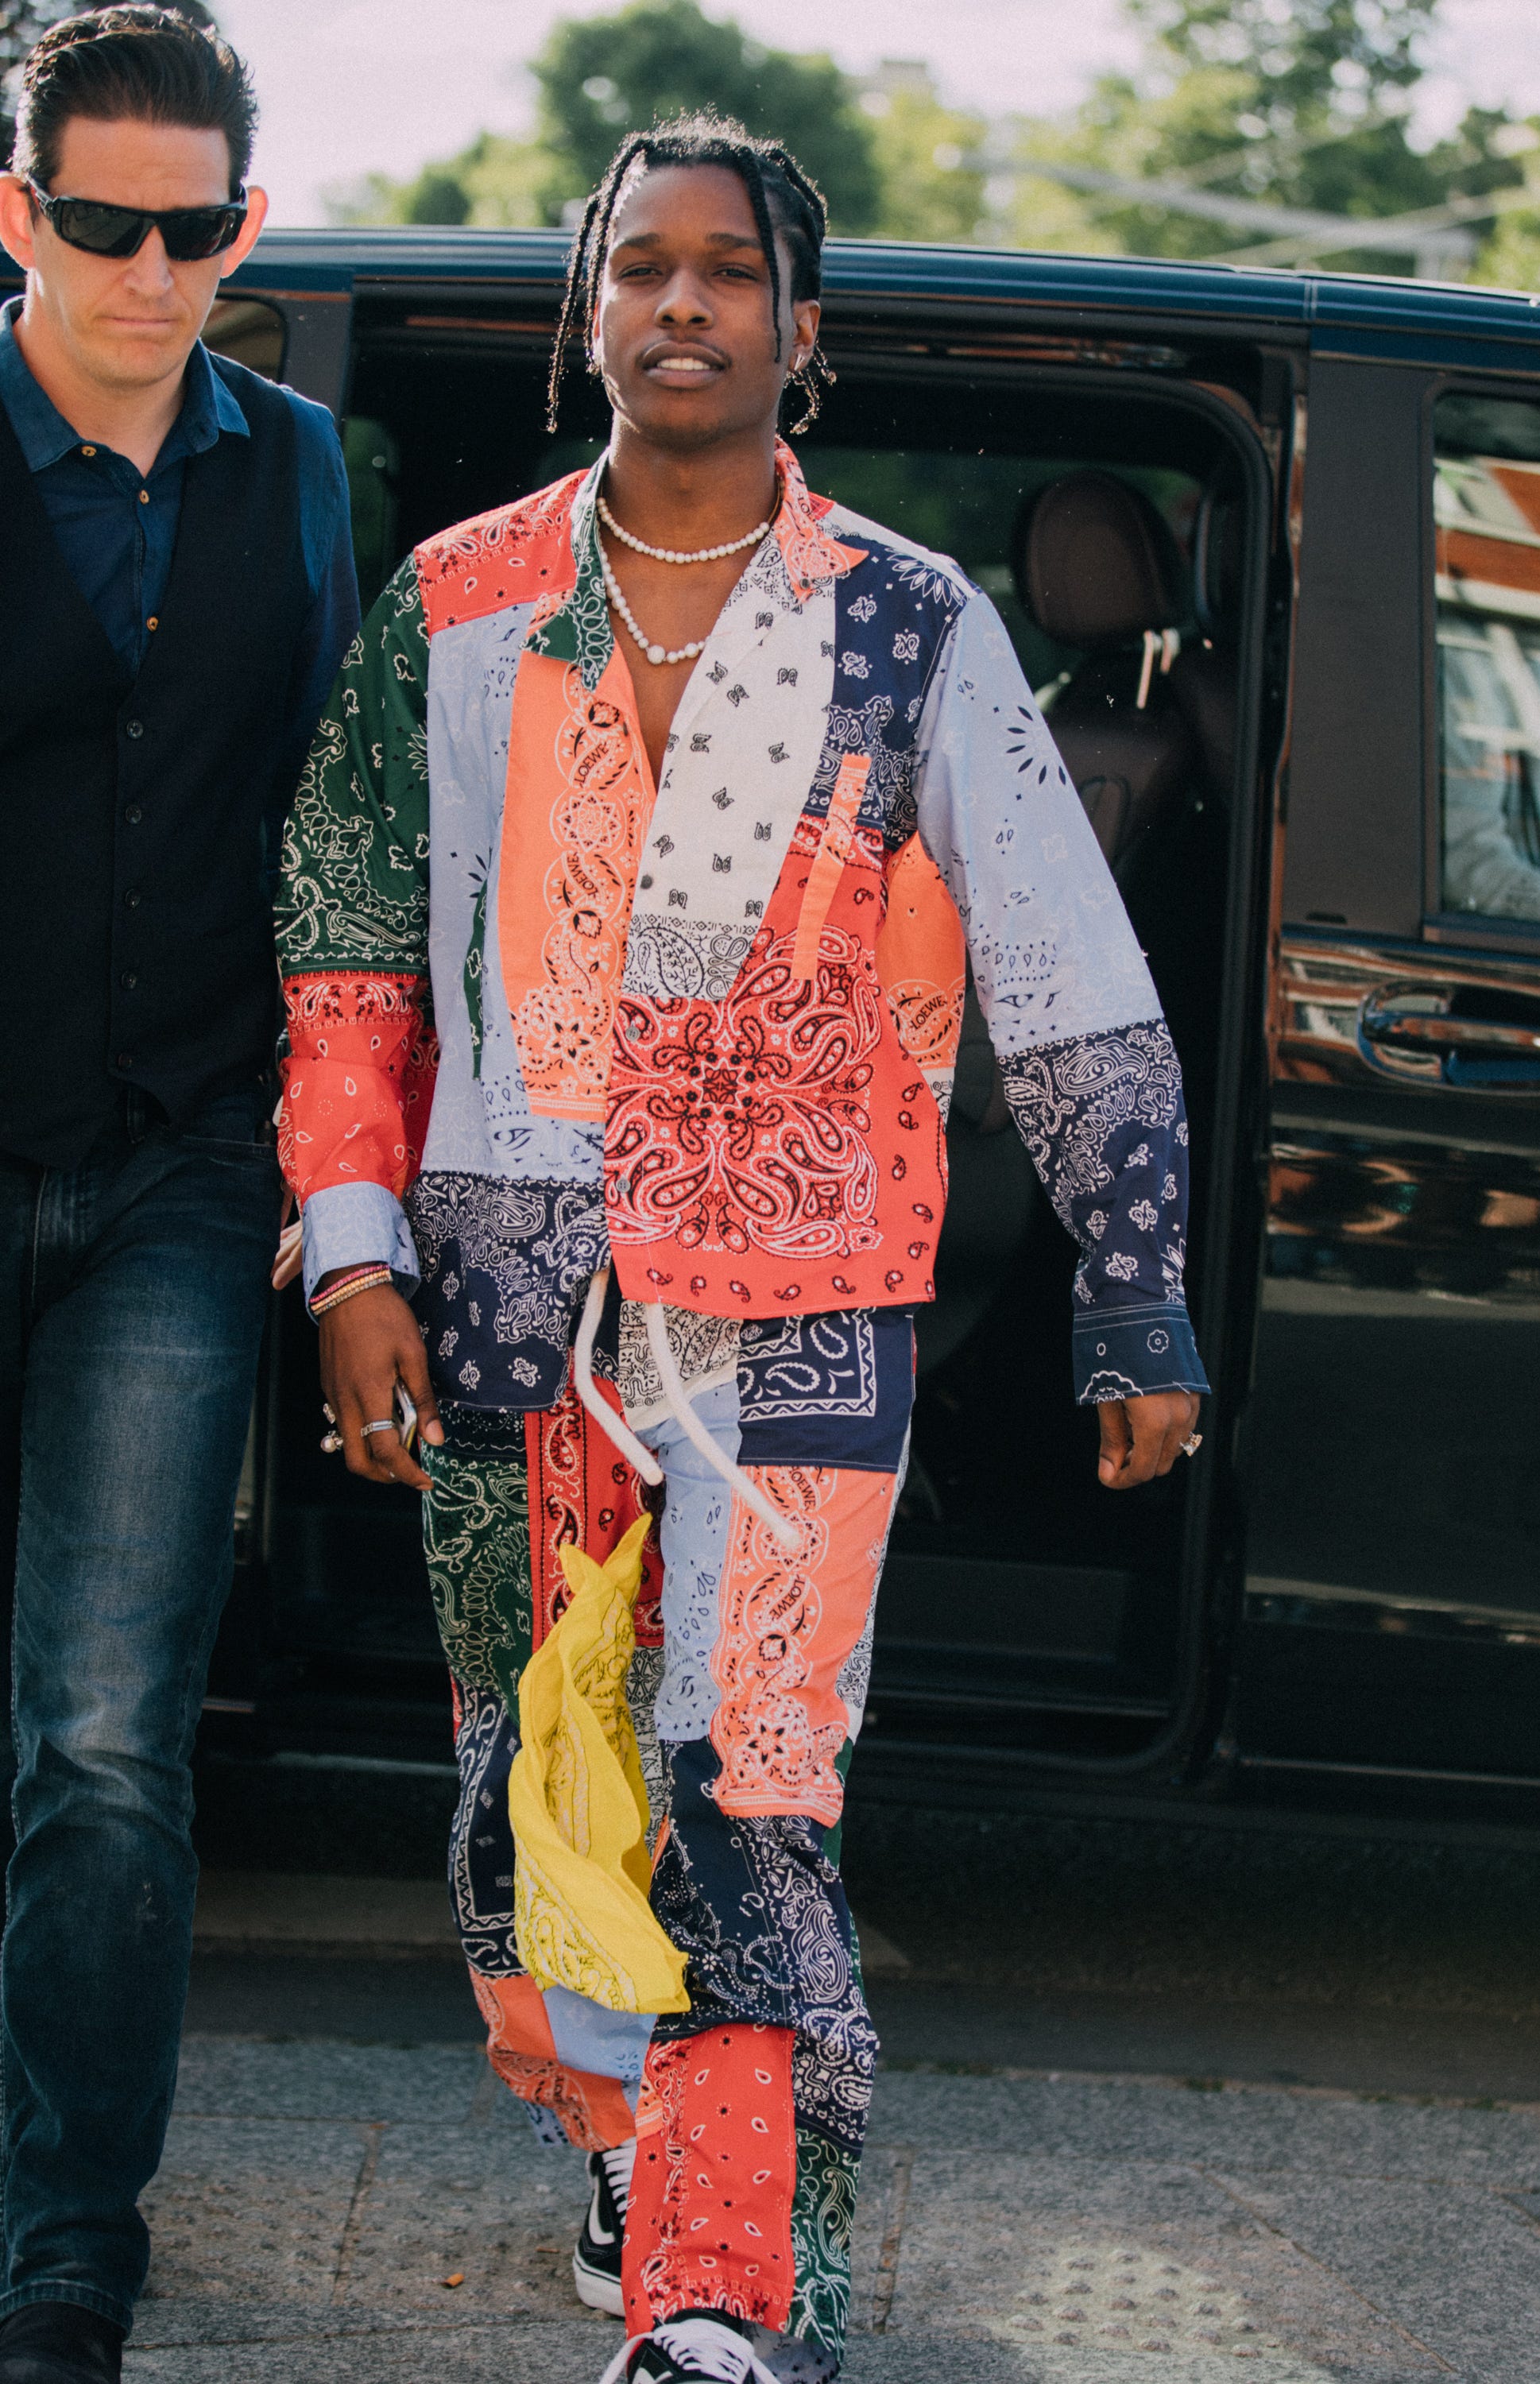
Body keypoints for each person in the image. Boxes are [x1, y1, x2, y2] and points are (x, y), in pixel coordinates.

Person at [277, 114, 1205, 2384]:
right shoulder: (459, 601)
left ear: (802, 331)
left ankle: (728, 2296)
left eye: (728, 270)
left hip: (802, 1307)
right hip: (503, 1288)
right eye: (642, 267)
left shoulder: (912, 620)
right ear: (586, 313)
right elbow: (344, 949)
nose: (682, 302)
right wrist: (354, 1252)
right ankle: (622, 2134)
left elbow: (1067, 966)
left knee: (750, 1777)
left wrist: (1132, 1280)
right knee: (536, 1786)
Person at [0, 11, 358, 2379]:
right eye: (105, 223)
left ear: (244, 218)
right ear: (16, 212)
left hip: (181, 1166)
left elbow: (333, 837)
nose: (155, 272)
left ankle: (67, 2254)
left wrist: (352, 1207)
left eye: (198, 227)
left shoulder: (302, 467)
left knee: (108, 1739)